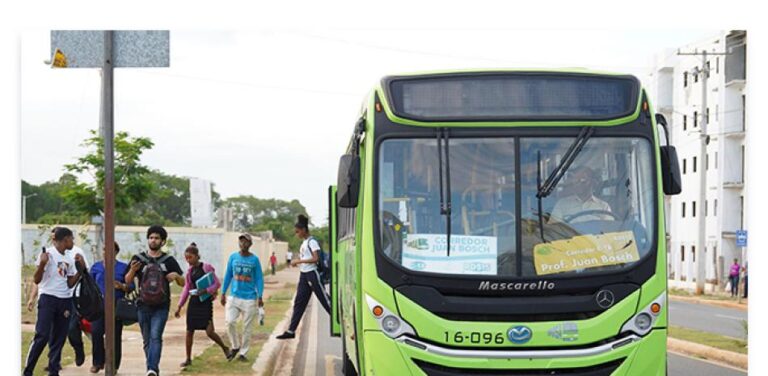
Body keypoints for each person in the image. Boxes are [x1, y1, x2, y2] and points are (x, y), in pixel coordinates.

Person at [26, 227, 90, 371]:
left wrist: (81, 270)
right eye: (71, 238)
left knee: (59, 338)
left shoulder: (68, 258)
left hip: (65, 300)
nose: (73, 241)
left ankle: (54, 370)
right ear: (66, 239)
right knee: (42, 335)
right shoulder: (48, 254)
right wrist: (42, 264)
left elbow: (69, 283)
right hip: (48, 298)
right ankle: (28, 370)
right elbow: (37, 280)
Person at [124, 225, 184, 376]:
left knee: (155, 336)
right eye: (151, 237)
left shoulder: (169, 260)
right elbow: (127, 280)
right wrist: (132, 269)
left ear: (163, 241)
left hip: (161, 306)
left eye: (157, 238)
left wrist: (176, 276)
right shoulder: (138, 259)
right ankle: (151, 368)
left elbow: (183, 282)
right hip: (142, 305)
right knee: (147, 341)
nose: (153, 240)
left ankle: (152, 369)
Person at [175, 243, 231, 368]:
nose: (188, 260)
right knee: (189, 331)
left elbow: (216, 283)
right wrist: (179, 306)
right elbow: (186, 289)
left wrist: (207, 291)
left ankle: (225, 348)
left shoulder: (206, 267)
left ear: (196, 256)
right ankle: (188, 358)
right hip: (194, 303)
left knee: (210, 331)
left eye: (190, 257)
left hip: (205, 303)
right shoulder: (190, 272)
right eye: (186, 258)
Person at [276, 215, 331, 340]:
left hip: (312, 274)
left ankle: (339, 321)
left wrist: (299, 261)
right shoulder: (304, 242)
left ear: (304, 230)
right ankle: (291, 330)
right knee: (299, 302)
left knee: (325, 300)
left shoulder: (312, 242)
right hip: (304, 275)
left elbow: (315, 258)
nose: (297, 234)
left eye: (298, 231)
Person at [220, 233, 265, 362]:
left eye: (246, 242)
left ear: (250, 244)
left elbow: (259, 278)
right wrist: (223, 293)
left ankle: (243, 353)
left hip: (250, 298)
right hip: (234, 296)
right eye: (241, 241)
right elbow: (228, 275)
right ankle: (235, 346)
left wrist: (260, 295)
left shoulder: (254, 260)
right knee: (230, 322)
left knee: (247, 327)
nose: (243, 244)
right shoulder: (233, 257)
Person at [89, 242, 132, 373]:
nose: (106, 252)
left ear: (116, 252)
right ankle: (97, 362)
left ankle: (114, 365)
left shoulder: (123, 267)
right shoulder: (96, 267)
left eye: (109, 250)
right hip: (99, 305)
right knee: (96, 332)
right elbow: (90, 285)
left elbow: (131, 287)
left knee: (115, 335)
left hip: (116, 305)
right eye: (104, 249)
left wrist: (122, 286)